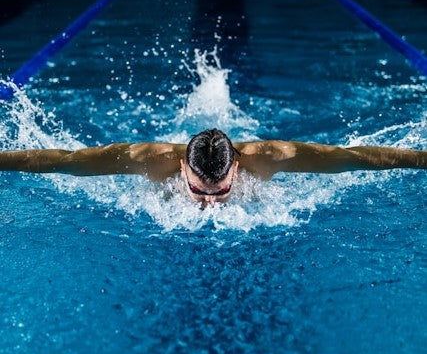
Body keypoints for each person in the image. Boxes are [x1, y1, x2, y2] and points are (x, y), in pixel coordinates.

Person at [0, 128, 425, 205]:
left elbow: (355, 158)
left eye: (220, 192)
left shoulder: (271, 157)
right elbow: (63, 162)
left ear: (236, 167)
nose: (209, 204)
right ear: (182, 166)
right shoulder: (147, 160)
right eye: (199, 191)